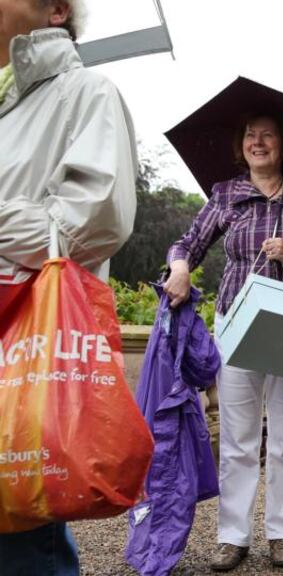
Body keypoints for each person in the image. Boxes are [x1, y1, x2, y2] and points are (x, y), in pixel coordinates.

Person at [164, 113, 283, 571]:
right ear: (240, 144)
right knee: (239, 437)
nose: (257, 142)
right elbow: (188, 243)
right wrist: (180, 268)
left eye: (267, 135)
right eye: (249, 134)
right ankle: (233, 536)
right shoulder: (227, 193)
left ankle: (282, 533)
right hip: (236, 323)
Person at [0, 1, 138, 574]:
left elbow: (88, 226)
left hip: (20, 354)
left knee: (20, 538)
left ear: (56, 10)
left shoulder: (87, 93)